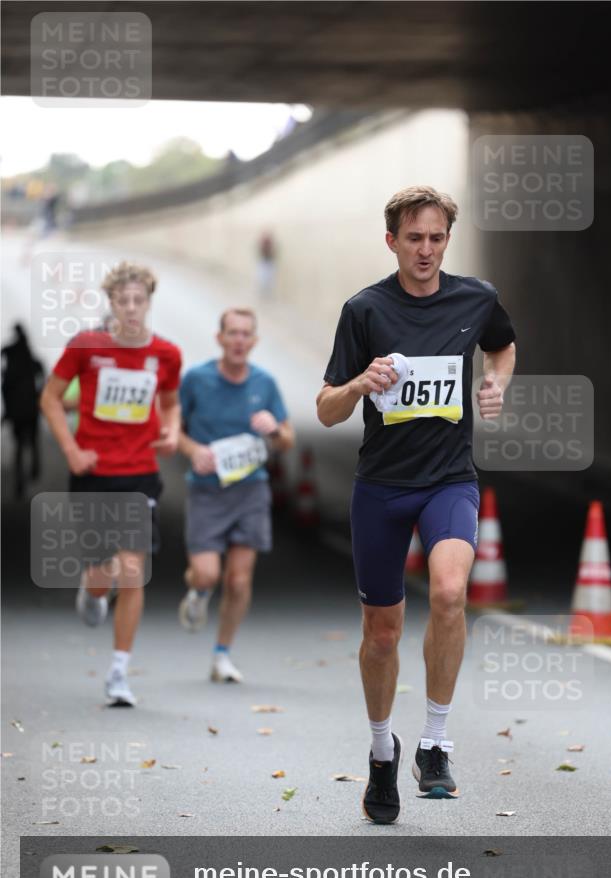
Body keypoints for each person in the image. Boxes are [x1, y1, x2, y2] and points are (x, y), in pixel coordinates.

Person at [316, 186, 517, 824]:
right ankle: (383, 752)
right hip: (381, 487)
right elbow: (326, 409)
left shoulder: (476, 298)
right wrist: (359, 382)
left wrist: (495, 383)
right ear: (392, 242)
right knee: (382, 633)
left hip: (449, 479)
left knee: (451, 593)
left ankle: (435, 742)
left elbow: (502, 345)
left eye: (436, 238)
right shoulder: (364, 310)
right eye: (414, 238)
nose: (426, 250)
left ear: (447, 240)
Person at [40, 262, 181, 707]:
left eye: (139, 300)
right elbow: (50, 399)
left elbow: (170, 403)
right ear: (112, 303)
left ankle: (119, 672)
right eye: (124, 301)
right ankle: (92, 589)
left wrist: (173, 431)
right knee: (102, 575)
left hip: (140, 475)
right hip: (93, 474)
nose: (132, 308)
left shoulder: (166, 354)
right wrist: (71, 451)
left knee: (133, 572)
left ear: (149, 302)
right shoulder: (86, 347)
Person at [178, 307, 294, 682]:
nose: (239, 340)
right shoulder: (197, 379)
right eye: (233, 333)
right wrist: (193, 450)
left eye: (246, 334)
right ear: (220, 338)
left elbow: (287, 440)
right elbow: (171, 429)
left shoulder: (265, 383)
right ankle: (198, 590)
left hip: (250, 490)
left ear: (254, 341)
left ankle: (222, 654)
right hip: (207, 491)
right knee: (207, 574)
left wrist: (274, 430)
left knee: (238, 580)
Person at [1, 323, 44, 498]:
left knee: (20, 446)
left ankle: (21, 479)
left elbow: (6, 389)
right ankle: (33, 469)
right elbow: (41, 376)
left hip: (18, 411)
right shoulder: (28, 356)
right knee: (32, 442)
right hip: (30, 409)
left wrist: (7, 412)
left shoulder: (12, 357)